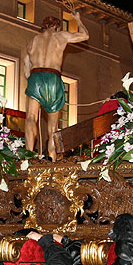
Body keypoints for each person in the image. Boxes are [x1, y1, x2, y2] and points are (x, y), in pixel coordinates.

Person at [24, 12, 89, 161]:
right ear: (57, 27)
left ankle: (27, 158)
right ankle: (52, 159)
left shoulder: (34, 40)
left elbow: (26, 66)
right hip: (53, 77)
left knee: (31, 118)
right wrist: (78, 19)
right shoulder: (61, 36)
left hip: (35, 77)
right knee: (53, 126)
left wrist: (33, 82)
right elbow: (85, 35)